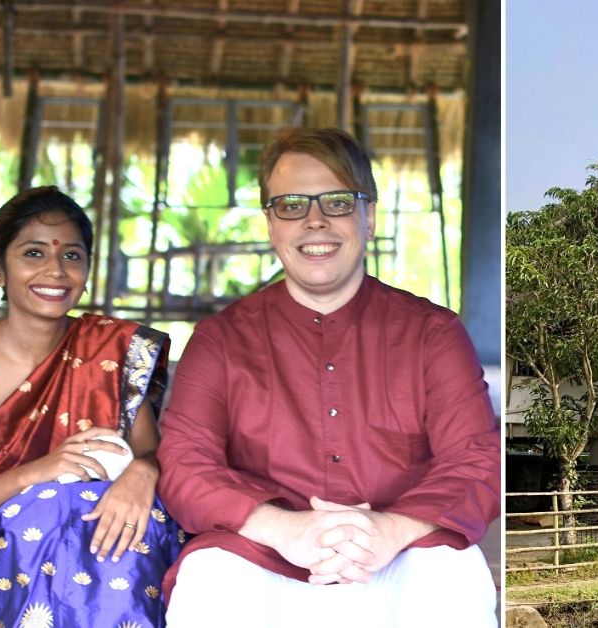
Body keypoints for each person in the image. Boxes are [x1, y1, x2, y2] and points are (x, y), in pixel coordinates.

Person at [157, 127, 501, 626]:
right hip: (264, 556)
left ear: (371, 216)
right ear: (270, 223)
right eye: (292, 204)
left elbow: (475, 459)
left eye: (338, 202)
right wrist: (283, 528)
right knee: (210, 580)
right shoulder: (220, 340)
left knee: (453, 576)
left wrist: (389, 528)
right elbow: (185, 465)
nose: (315, 221)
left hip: (398, 554)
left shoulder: (432, 334)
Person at [0, 186, 182, 628]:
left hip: (99, 547)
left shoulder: (110, 349)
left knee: (130, 517)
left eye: (72, 256)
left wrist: (144, 470)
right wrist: (37, 473)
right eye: (33, 253)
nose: (55, 271)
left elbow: (153, 457)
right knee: (52, 506)